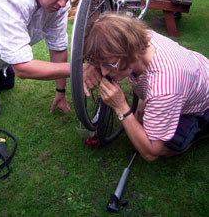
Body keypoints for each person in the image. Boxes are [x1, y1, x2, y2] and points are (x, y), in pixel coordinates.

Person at [83, 12, 209, 162]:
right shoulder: (139, 36)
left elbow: (151, 152)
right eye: (99, 63)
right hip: (199, 71)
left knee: (162, 148)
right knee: (140, 120)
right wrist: (93, 66)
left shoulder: (165, 86)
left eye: (109, 64)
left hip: (203, 103)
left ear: (130, 53)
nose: (103, 72)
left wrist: (121, 107)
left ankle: (200, 130)